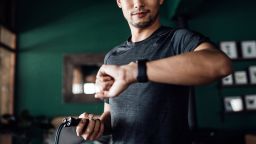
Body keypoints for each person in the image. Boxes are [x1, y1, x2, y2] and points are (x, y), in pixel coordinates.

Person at [76, 0, 232, 143]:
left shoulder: (177, 39)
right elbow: (112, 115)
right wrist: (97, 126)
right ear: (119, 2)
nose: (138, 3)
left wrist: (135, 72)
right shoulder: (112, 57)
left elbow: (220, 64)